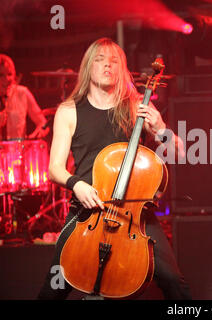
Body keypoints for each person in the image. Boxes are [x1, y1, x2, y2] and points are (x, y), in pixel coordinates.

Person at [37, 37, 191, 300]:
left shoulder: (136, 106)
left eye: (114, 61)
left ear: (122, 69)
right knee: (53, 289)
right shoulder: (69, 111)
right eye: (100, 60)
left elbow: (180, 152)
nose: (107, 66)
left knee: (174, 281)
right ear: (88, 67)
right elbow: (54, 169)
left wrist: (162, 127)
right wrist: (77, 184)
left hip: (134, 216)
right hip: (87, 213)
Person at [0, 54, 49, 140]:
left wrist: (39, 132)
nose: (7, 79)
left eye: (10, 74)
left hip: (18, 150)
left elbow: (42, 122)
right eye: (1, 75)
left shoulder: (23, 93)